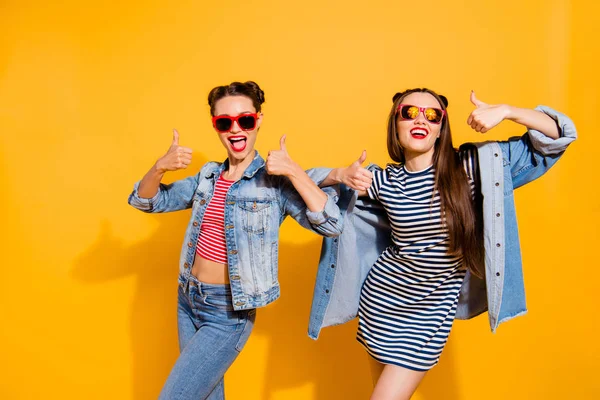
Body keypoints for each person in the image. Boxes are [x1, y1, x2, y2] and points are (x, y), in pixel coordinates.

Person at [308, 88, 577, 399]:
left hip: (430, 315)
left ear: (440, 128)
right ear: (395, 124)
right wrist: (340, 174)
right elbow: (301, 190)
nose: (421, 119)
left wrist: (507, 111)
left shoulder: (473, 167)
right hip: (380, 304)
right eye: (409, 112)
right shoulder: (383, 180)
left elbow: (560, 135)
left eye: (432, 115)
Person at [128, 81, 342, 400]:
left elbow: (331, 224)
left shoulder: (274, 182)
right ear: (216, 126)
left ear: (258, 119)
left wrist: (295, 170)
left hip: (227, 312)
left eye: (245, 119)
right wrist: (159, 167)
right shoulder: (208, 176)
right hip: (188, 298)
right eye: (224, 122)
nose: (236, 129)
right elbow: (146, 201)